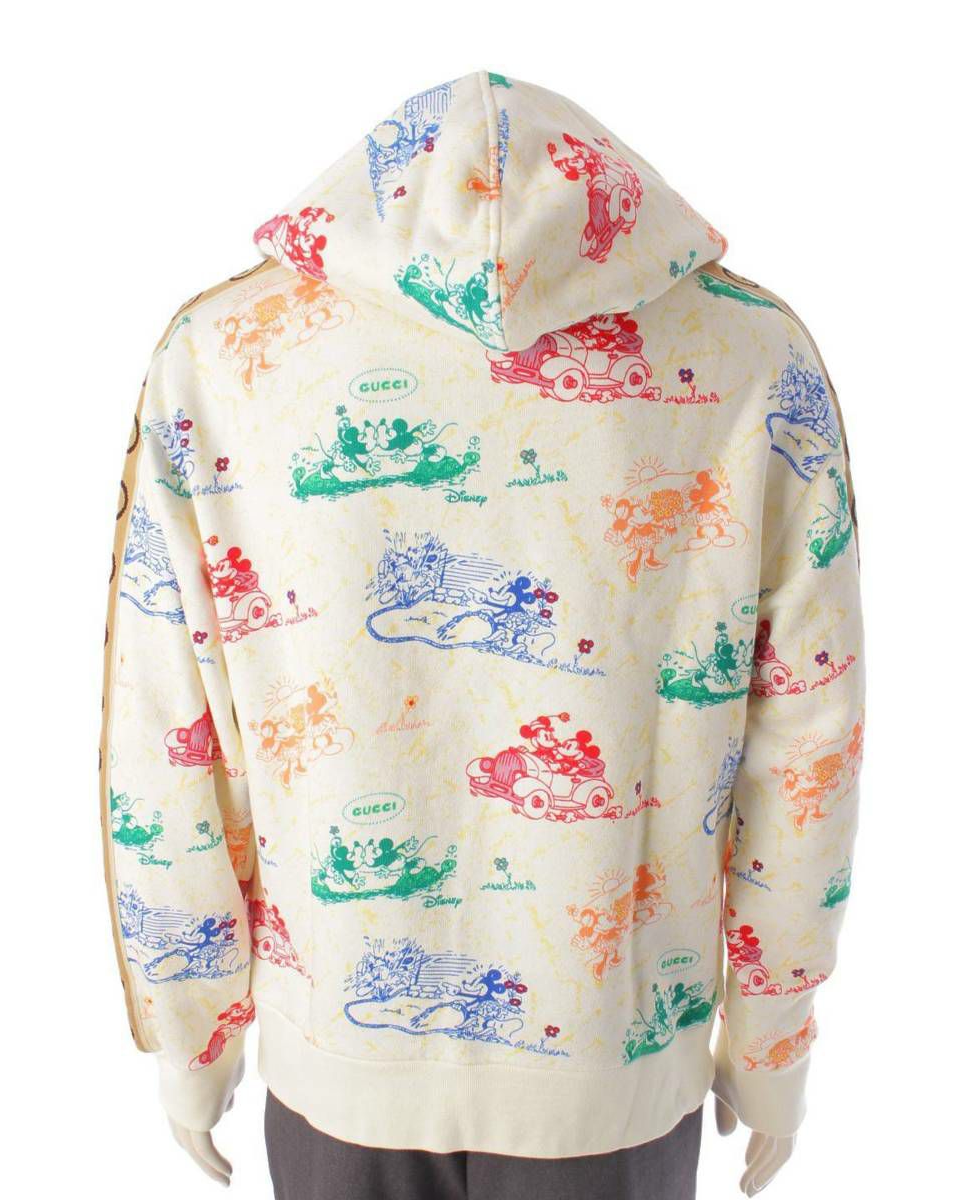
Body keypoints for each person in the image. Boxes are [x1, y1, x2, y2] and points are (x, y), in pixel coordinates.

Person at [97, 69, 865, 1199]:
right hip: (614, 1070)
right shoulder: (751, 356)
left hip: (337, 1065)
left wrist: (191, 1033)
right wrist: (772, 1043)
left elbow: (167, 730)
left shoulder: (220, 353)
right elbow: (808, 742)